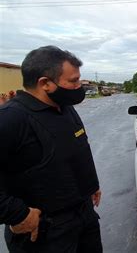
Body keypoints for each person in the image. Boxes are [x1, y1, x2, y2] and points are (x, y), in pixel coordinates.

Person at [0, 46, 103, 252]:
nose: (79, 86)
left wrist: (91, 184)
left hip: (84, 217)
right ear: (45, 83)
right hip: (45, 233)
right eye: (73, 81)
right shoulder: (12, 118)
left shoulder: (65, 108)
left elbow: (78, 149)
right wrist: (17, 214)